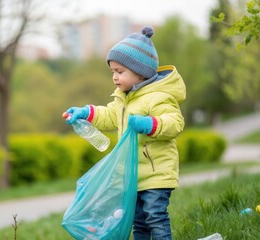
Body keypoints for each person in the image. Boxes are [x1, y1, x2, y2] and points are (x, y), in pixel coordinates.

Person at [64, 26, 186, 239]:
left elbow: (175, 123)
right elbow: (109, 116)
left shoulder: (158, 97)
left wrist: (150, 124)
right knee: (138, 221)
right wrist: (86, 112)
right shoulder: (123, 98)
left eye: (120, 72)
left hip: (156, 173)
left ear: (140, 72)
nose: (115, 77)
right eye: (113, 72)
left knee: (154, 216)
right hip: (133, 176)